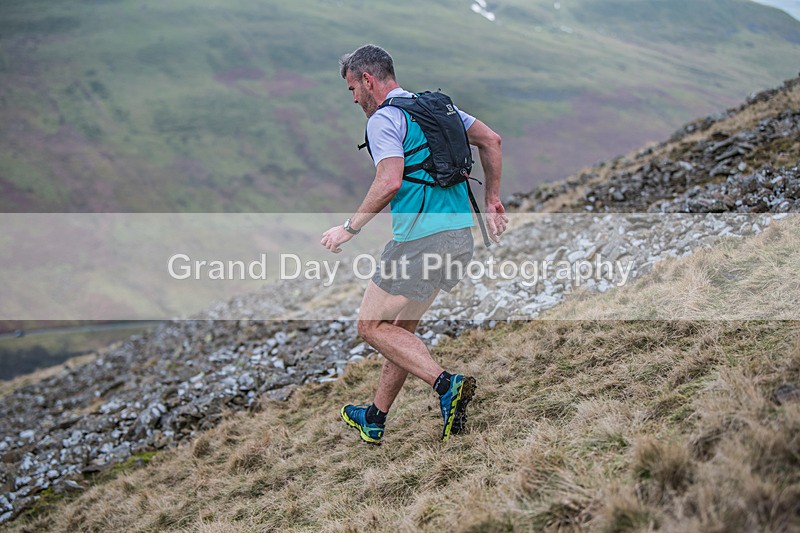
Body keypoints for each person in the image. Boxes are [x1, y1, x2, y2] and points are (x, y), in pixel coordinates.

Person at [321, 44, 507, 445]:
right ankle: (375, 416)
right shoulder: (436, 108)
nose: (354, 99)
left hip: (420, 241)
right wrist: (492, 200)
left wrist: (348, 229)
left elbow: (389, 181)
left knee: (370, 326)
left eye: (352, 89)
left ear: (367, 80)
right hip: (459, 237)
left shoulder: (385, 119)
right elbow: (491, 140)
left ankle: (446, 386)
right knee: (402, 330)